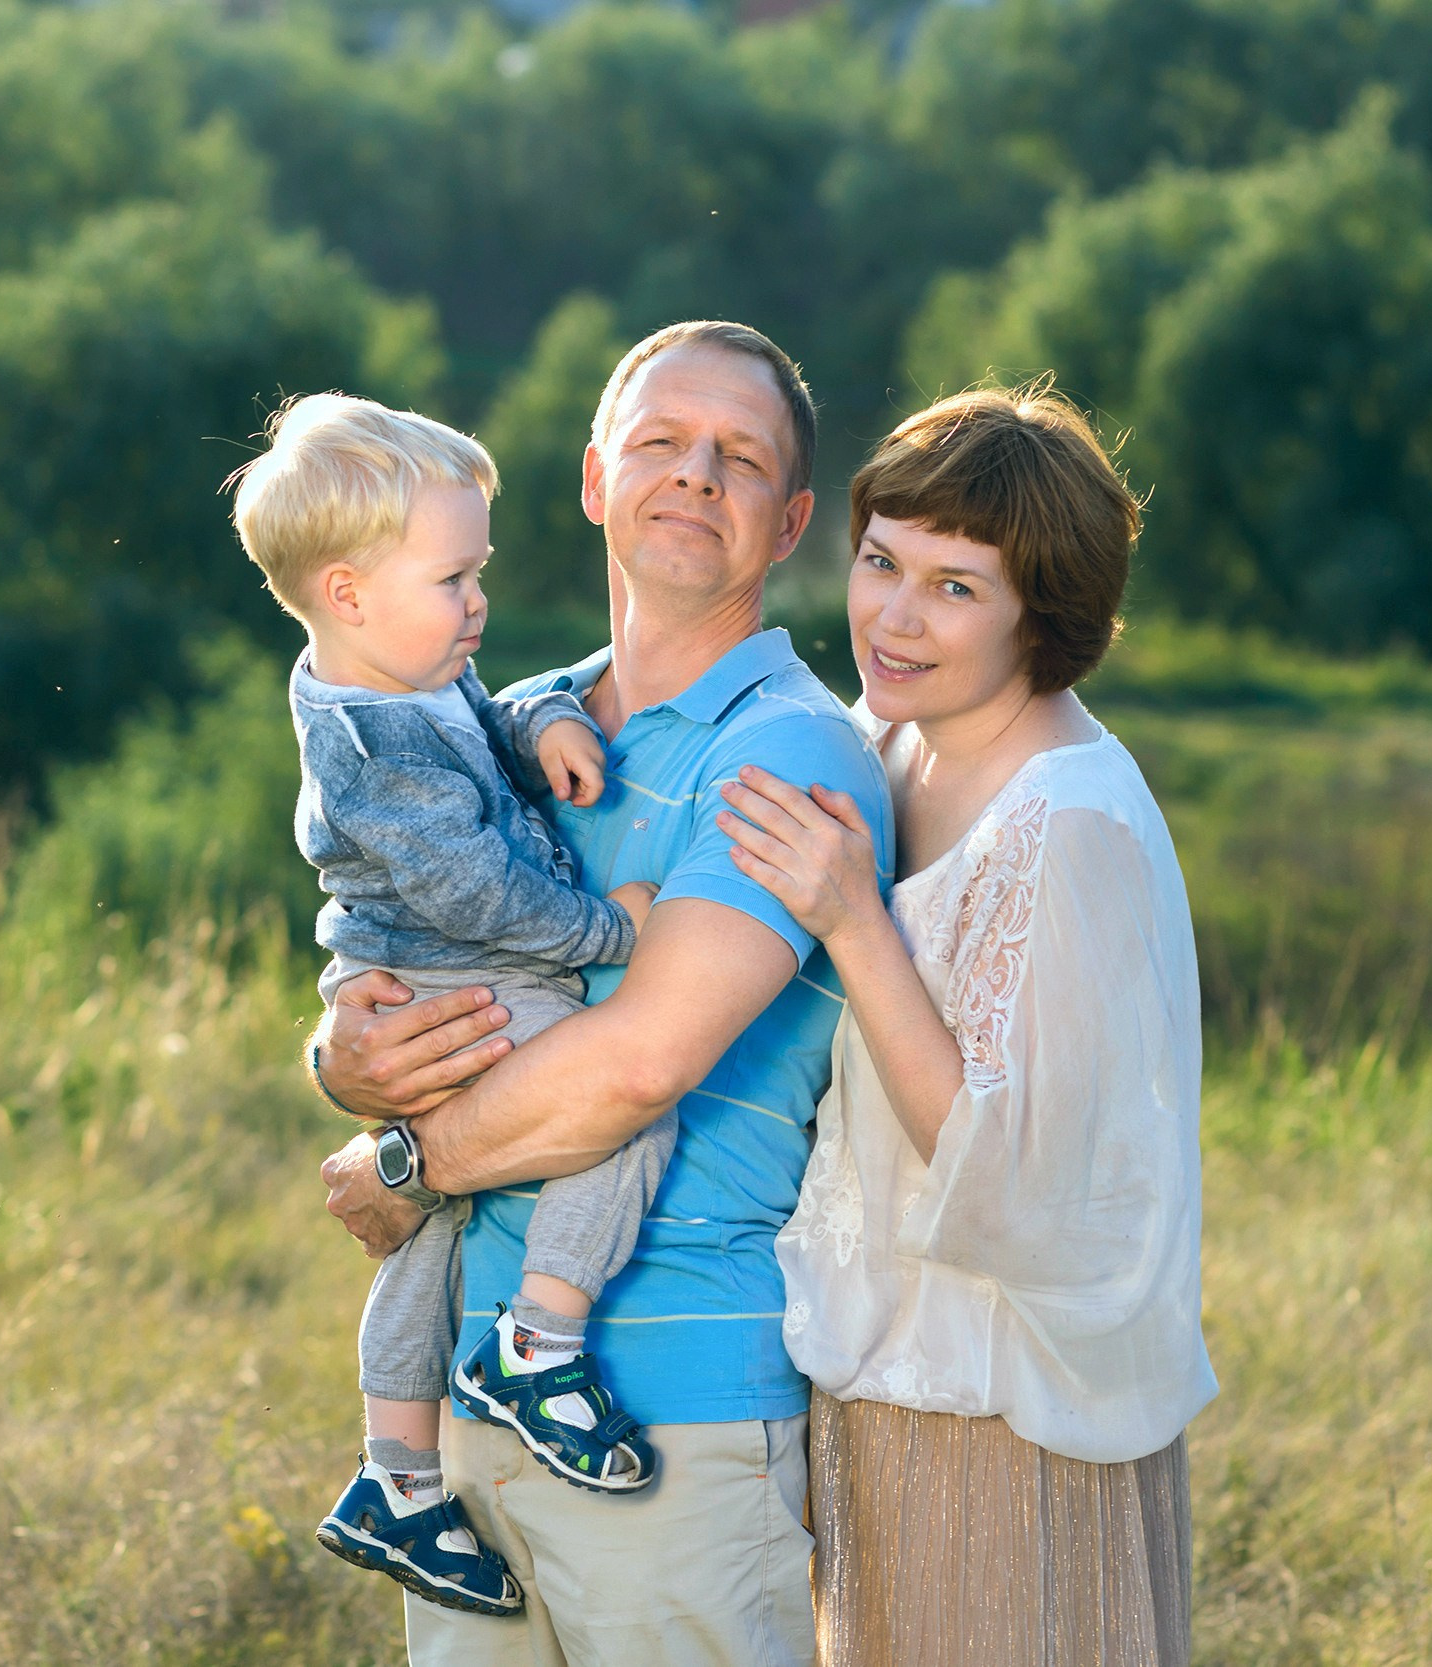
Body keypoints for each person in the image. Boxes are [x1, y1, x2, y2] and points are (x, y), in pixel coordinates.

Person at [312, 322, 896, 1667]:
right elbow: (397, 953)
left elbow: (640, 1062)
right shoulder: (505, 723)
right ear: (592, 479)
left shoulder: (792, 752)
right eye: (661, 442)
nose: (695, 473)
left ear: (791, 520)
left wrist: (407, 1160)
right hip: (460, 1415)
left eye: (740, 457)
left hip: (675, 1415)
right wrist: (341, 1053)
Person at [716, 387, 1216, 1667]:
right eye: (882, 561)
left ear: (1039, 612)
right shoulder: (887, 742)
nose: (893, 615)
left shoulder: (1071, 823)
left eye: (954, 587)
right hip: (874, 1380)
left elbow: (1012, 1180)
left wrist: (855, 922)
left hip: (1003, 1415)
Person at [224, 394, 673, 1619]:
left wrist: (546, 716)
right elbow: (474, 888)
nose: (477, 602)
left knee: (432, 1225)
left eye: (477, 572)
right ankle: (537, 1345)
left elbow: (481, 706)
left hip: (423, 976)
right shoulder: (374, 753)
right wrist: (611, 929)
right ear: (349, 591)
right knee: (622, 1103)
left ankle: (398, 1477)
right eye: (453, 578)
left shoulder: (396, 672)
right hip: (458, 977)